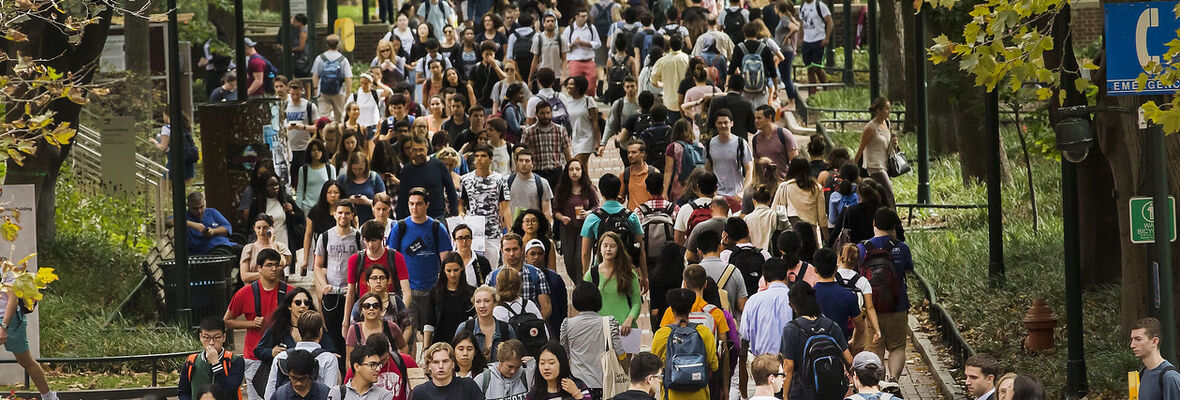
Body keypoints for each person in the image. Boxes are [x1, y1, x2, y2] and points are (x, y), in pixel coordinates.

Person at [225, 248, 296, 400]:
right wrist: (251, 323)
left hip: (285, 355)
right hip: (254, 357)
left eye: (277, 265)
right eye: (269, 265)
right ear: (259, 268)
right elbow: (227, 321)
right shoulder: (244, 293)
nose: (274, 269)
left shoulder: (291, 293)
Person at [387, 187, 454, 330]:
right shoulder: (400, 227)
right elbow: (391, 260)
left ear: (427, 205)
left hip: (432, 290)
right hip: (407, 290)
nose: (414, 207)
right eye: (411, 203)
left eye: (418, 204)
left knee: (430, 331)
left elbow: (446, 261)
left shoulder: (437, 227)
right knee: (408, 332)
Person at [859, 208, 913, 380]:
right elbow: (908, 270)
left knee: (875, 349)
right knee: (897, 347)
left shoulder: (862, 248)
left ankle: (879, 383)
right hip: (897, 306)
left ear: (874, 223)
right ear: (894, 226)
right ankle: (894, 380)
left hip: (870, 307)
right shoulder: (901, 248)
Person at [779, 282, 852, 400]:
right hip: (832, 390)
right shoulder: (832, 325)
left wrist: (785, 395)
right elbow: (849, 360)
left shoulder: (791, 329)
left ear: (792, 305)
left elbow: (789, 365)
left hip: (803, 392)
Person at [314, 198, 363, 361]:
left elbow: (364, 264)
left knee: (354, 333)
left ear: (352, 215)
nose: (343, 216)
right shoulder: (325, 236)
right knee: (333, 333)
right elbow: (318, 265)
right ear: (334, 214)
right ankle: (340, 368)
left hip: (352, 292)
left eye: (347, 213)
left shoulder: (358, 237)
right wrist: (324, 285)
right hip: (332, 293)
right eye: (340, 212)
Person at [652, 288, 719, 400]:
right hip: (700, 395)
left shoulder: (662, 334)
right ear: (691, 308)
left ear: (672, 309)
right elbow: (714, 365)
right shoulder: (704, 332)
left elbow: (654, 366)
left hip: (671, 395)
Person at [561, 282, 625, 399]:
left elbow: (564, 355)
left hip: (578, 385)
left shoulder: (567, 324)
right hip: (605, 383)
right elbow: (620, 353)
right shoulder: (608, 322)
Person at [580, 174, 648, 284]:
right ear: (618, 191)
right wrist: (644, 276)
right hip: (626, 271)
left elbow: (585, 252)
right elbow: (640, 249)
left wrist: (586, 276)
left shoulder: (593, 218)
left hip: (601, 272)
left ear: (601, 193)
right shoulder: (631, 216)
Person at [583, 231, 643, 353]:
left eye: (612, 246)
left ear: (618, 249)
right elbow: (585, 304)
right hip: (600, 329)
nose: (608, 249)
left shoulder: (629, 273)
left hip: (625, 329)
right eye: (605, 246)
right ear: (599, 249)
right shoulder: (592, 274)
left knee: (624, 370)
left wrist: (629, 320)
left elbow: (636, 302)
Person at [254, 287, 339, 373]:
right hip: (283, 377)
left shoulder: (316, 327)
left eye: (306, 303)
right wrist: (271, 352)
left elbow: (331, 349)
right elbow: (258, 350)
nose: (303, 306)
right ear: (289, 306)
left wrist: (330, 356)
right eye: (298, 303)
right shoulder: (277, 328)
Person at [267, 312, 342, 399]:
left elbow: (269, 394)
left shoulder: (281, 357)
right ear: (320, 331)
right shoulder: (329, 358)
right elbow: (329, 394)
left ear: (299, 330)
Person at [460, 144, 512, 268]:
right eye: (476, 156)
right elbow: (461, 203)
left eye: (483, 156)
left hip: (492, 231)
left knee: (491, 266)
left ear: (490, 159)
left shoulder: (500, 179)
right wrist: (461, 213)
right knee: (472, 267)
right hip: (473, 231)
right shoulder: (465, 180)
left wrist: (510, 229)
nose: (479, 159)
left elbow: (505, 207)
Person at [554, 159, 600, 283]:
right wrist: (562, 218)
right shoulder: (561, 189)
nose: (574, 172)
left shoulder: (589, 188)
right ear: (567, 172)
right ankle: (578, 284)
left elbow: (597, 207)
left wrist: (588, 213)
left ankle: (581, 287)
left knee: (580, 259)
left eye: (577, 169)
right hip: (567, 228)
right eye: (571, 169)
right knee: (569, 261)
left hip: (584, 228)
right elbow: (555, 210)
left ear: (582, 171)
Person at [180, 317, 245, 400]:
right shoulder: (191, 361)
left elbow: (229, 391)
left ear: (224, 337)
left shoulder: (235, 361)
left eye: (216, 337)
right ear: (200, 337)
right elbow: (183, 392)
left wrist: (216, 363)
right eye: (206, 337)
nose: (211, 343)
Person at [395, 137, 460, 220]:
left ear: (427, 148)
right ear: (410, 150)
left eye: (421, 150)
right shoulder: (406, 170)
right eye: (415, 150)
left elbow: (451, 190)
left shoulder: (438, 165)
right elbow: (402, 197)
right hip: (414, 217)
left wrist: (454, 213)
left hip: (437, 216)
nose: (418, 153)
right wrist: (399, 220)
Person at [344, 293, 409, 371]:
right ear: (361, 310)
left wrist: (400, 365)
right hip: (364, 376)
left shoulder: (391, 327)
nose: (371, 308)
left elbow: (403, 346)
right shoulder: (354, 330)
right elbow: (349, 360)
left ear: (380, 309)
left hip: (389, 372)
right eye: (367, 306)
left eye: (375, 305)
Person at [836, 244, 881, 355]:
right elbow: (870, 307)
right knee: (854, 359)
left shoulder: (832, 277)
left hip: (836, 324)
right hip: (856, 326)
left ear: (839, 257)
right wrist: (877, 330)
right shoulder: (862, 281)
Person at [423, 252, 476, 345]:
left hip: (464, 343)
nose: (452, 274)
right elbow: (429, 322)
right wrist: (426, 347)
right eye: (449, 270)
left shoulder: (471, 293)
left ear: (462, 269)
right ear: (443, 270)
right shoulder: (435, 293)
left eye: (456, 270)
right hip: (440, 343)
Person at [811, 248, 863, 342]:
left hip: (814, 349)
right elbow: (861, 327)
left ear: (815, 270)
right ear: (836, 268)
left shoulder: (808, 295)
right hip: (840, 348)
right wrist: (854, 341)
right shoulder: (849, 296)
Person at [855, 98, 897, 209]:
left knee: (880, 195)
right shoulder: (870, 128)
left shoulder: (887, 124)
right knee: (889, 192)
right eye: (886, 109)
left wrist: (894, 144)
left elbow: (888, 148)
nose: (889, 111)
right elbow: (861, 149)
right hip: (874, 166)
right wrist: (853, 168)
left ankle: (881, 218)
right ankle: (894, 219)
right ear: (878, 110)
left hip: (884, 164)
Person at [454, 285, 517, 360]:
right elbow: (455, 356)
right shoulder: (465, 327)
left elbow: (514, 357)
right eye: (478, 302)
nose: (482, 305)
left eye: (486, 301)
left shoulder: (506, 329)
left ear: (494, 303)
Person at [249, 173, 307, 254]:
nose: (275, 188)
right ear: (264, 187)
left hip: (285, 239)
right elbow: (250, 224)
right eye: (270, 185)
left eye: (276, 184)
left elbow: (301, 217)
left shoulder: (286, 199)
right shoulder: (257, 203)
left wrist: (291, 212)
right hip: (265, 241)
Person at [772, 157, 828, 240]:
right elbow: (822, 216)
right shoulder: (816, 188)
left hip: (790, 231)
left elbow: (773, 211)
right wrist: (827, 236)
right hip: (810, 232)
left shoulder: (784, 187)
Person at [521, 101, 573, 188]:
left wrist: (571, 169)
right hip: (537, 173)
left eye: (548, 113)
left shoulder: (560, 130)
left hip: (556, 172)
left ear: (551, 113)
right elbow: (522, 153)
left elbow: (567, 153)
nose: (545, 116)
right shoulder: (529, 132)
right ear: (536, 114)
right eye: (542, 113)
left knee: (556, 200)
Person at [705, 110, 753, 202]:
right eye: (720, 123)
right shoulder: (710, 144)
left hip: (736, 195)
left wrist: (743, 191)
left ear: (731, 123)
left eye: (726, 122)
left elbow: (749, 169)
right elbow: (708, 169)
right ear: (716, 124)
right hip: (717, 195)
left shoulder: (741, 143)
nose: (723, 126)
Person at [410, 343, 485, 400]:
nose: (441, 366)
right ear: (429, 366)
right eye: (436, 362)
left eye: (445, 361)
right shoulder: (419, 392)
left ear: (453, 364)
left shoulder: (468, 386)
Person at [694, 230, 746, 312]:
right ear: (719, 247)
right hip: (727, 322)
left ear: (699, 251)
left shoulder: (692, 273)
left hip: (700, 323)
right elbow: (742, 306)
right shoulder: (734, 271)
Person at [490, 261, 549, 331]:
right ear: (519, 285)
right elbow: (545, 334)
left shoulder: (497, 311)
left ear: (498, 285)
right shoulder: (530, 305)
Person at [560, 76, 601, 169]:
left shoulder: (588, 100)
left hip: (587, 137)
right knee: (582, 165)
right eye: (567, 84)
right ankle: (586, 183)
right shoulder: (568, 102)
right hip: (574, 138)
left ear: (578, 87)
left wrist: (598, 142)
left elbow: (595, 122)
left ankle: (584, 183)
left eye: (571, 84)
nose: (568, 86)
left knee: (578, 162)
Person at [1134, 317, 1180, 399]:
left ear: (1154, 341)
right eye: (1132, 339)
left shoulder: (1169, 377)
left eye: (1138, 339)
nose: (1132, 345)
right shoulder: (1143, 373)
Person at [527, 343, 593, 400]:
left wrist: (577, 394)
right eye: (542, 363)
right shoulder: (533, 395)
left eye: (551, 363)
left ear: (562, 364)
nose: (546, 367)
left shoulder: (577, 386)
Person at [241, 214, 294, 283]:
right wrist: (267, 273)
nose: (261, 231)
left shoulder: (280, 247)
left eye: (265, 228)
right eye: (258, 228)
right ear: (254, 228)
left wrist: (272, 244)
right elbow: (244, 276)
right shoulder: (249, 248)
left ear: (270, 228)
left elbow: (281, 264)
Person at [506, 148, 556, 221]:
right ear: (516, 163)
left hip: (534, 226)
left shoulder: (542, 183)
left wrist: (547, 228)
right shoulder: (507, 181)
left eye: (527, 161)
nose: (524, 163)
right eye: (521, 160)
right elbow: (503, 208)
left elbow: (547, 211)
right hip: (513, 226)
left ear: (533, 164)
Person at [330, 344, 394, 400]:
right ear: (357, 366)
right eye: (372, 365)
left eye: (378, 365)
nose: (378, 369)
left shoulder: (384, 395)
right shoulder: (338, 392)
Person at [650, 35, 690, 123]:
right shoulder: (687, 58)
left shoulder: (662, 61)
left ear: (670, 46)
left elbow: (653, 80)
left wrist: (664, 85)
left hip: (669, 102)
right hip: (686, 102)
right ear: (682, 45)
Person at [313, 35, 353, 122]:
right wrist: (348, 92)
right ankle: (338, 133)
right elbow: (348, 77)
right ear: (338, 44)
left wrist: (315, 89)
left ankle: (325, 132)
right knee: (339, 116)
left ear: (327, 45)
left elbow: (315, 75)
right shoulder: (343, 59)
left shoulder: (320, 58)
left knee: (324, 116)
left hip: (323, 91)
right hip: (339, 92)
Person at [672, 172, 718, 247]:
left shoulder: (685, 208)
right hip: (717, 256)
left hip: (692, 255)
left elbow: (677, 239)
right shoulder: (724, 208)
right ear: (716, 188)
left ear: (698, 187)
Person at [181, 192, 235, 256]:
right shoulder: (184, 216)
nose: (199, 211)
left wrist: (213, 231)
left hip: (226, 245)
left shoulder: (212, 212)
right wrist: (193, 224)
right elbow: (169, 222)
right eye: (195, 209)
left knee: (246, 251)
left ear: (205, 203)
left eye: (202, 207)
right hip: (208, 251)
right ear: (188, 206)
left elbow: (227, 227)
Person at [752, 105, 796, 180]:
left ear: (769, 118)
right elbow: (756, 165)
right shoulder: (755, 139)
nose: (756, 121)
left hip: (782, 184)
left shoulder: (784, 134)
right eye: (755, 118)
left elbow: (795, 162)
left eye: (759, 118)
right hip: (764, 186)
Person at [798, 0, 832, 86]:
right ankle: (812, 91)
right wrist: (801, 37)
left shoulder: (820, 5)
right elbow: (801, 23)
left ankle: (825, 87)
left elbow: (829, 22)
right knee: (809, 68)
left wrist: (827, 38)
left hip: (818, 40)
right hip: (807, 41)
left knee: (816, 67)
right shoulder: (802, 6)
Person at [620, 141, 658, 211]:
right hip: (632, 216)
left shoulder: (653, 172)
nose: (630, 155)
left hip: (649, 215)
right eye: (628, 152)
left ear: (642, 153)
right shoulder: (625, 174)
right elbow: (620, 199)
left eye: (634, 152)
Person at [530, 13, 568, 80]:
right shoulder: (538, 39)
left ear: (555, 23)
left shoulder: (561, 39)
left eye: (552, 21)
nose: (550, 23)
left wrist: (564, 75)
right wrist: (530, 78)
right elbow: (535, 60)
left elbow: (564, 59)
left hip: (557, 76)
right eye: (548, 21)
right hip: (542, 75)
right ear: (544, 24)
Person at [743, 185, 778, 249]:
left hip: (753, 254)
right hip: (771, 254)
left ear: (754, 201)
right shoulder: (775, 215)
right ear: (769, 201)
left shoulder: (746, 219)